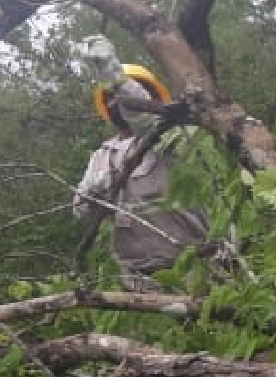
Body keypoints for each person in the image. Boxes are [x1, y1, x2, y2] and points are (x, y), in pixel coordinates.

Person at [72, 41, 210, 291]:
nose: (118, 103)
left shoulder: (174, 138)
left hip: (196, 269)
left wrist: (113, 75)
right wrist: (93, 196)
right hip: (138, 280)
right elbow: (81, 211)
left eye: (122, 96)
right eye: (111, 98)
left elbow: (144, 119)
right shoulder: (102, 156)